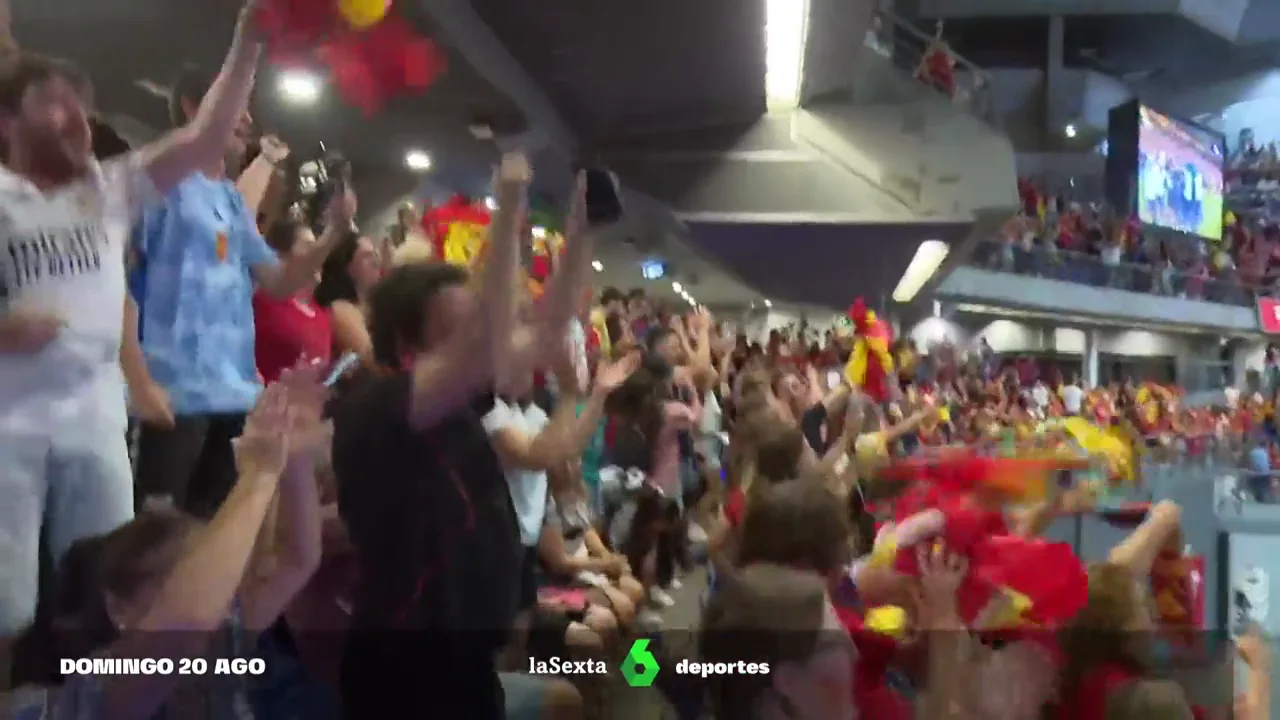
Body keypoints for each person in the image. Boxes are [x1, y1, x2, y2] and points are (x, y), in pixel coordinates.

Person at [0, 0, 261, 649]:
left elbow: (204, 137)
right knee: (8, 608)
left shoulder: (111, 188)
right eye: (53, 103)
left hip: (93, 417)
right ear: (8, 122)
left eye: (78, 103)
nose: (75, 117)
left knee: (112, 590)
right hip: (8, 427)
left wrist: (249, 40)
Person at [330, 156, 597, 718]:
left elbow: (547, 333)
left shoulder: (465, 404)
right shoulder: (379, 410)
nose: (487, 342)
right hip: (408, 682)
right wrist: (506, 204)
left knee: (566, 697)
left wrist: (579, 229)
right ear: (409, 348)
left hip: (466, 667)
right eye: (459, 333)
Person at [5, 369, 325, 718]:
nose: (220, 600)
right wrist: (260, 473)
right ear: (119, 609)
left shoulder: (217, 651)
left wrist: (293, 454)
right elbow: (186, 623)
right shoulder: (106, 685)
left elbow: (297, 556)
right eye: (193, 578)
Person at [129, 63, 355, 519]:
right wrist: (138, 380)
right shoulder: (158, 180)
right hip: (174, 393)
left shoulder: (230, 201)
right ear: (197, 107)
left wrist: (334, 232)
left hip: (233, 396)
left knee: (212, 529)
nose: (249, 120)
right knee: (157, 540)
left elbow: (279, 281)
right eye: (239, 108)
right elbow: (123, 278)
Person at [314, 230, 382, 366]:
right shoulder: (340, 309)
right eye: (366, 256)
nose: (376, 261)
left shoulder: (372, 304)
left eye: (375, 254)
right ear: (346, 265)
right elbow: (372, 361)